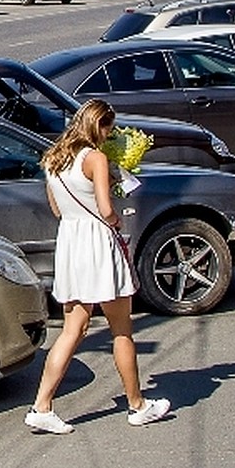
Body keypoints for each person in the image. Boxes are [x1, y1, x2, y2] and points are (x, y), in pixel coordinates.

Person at [24, 99, 171, 435]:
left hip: (71, 244)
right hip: (97, 245)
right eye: (108, 128)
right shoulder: (96, 159)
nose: (109, 135)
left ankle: (42, 406)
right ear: (98, 126)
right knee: (122, 329)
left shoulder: (53, 159)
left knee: (73, 329)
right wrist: (116, 216)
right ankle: (137, 405)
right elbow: (105, 209)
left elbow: (57, 210)